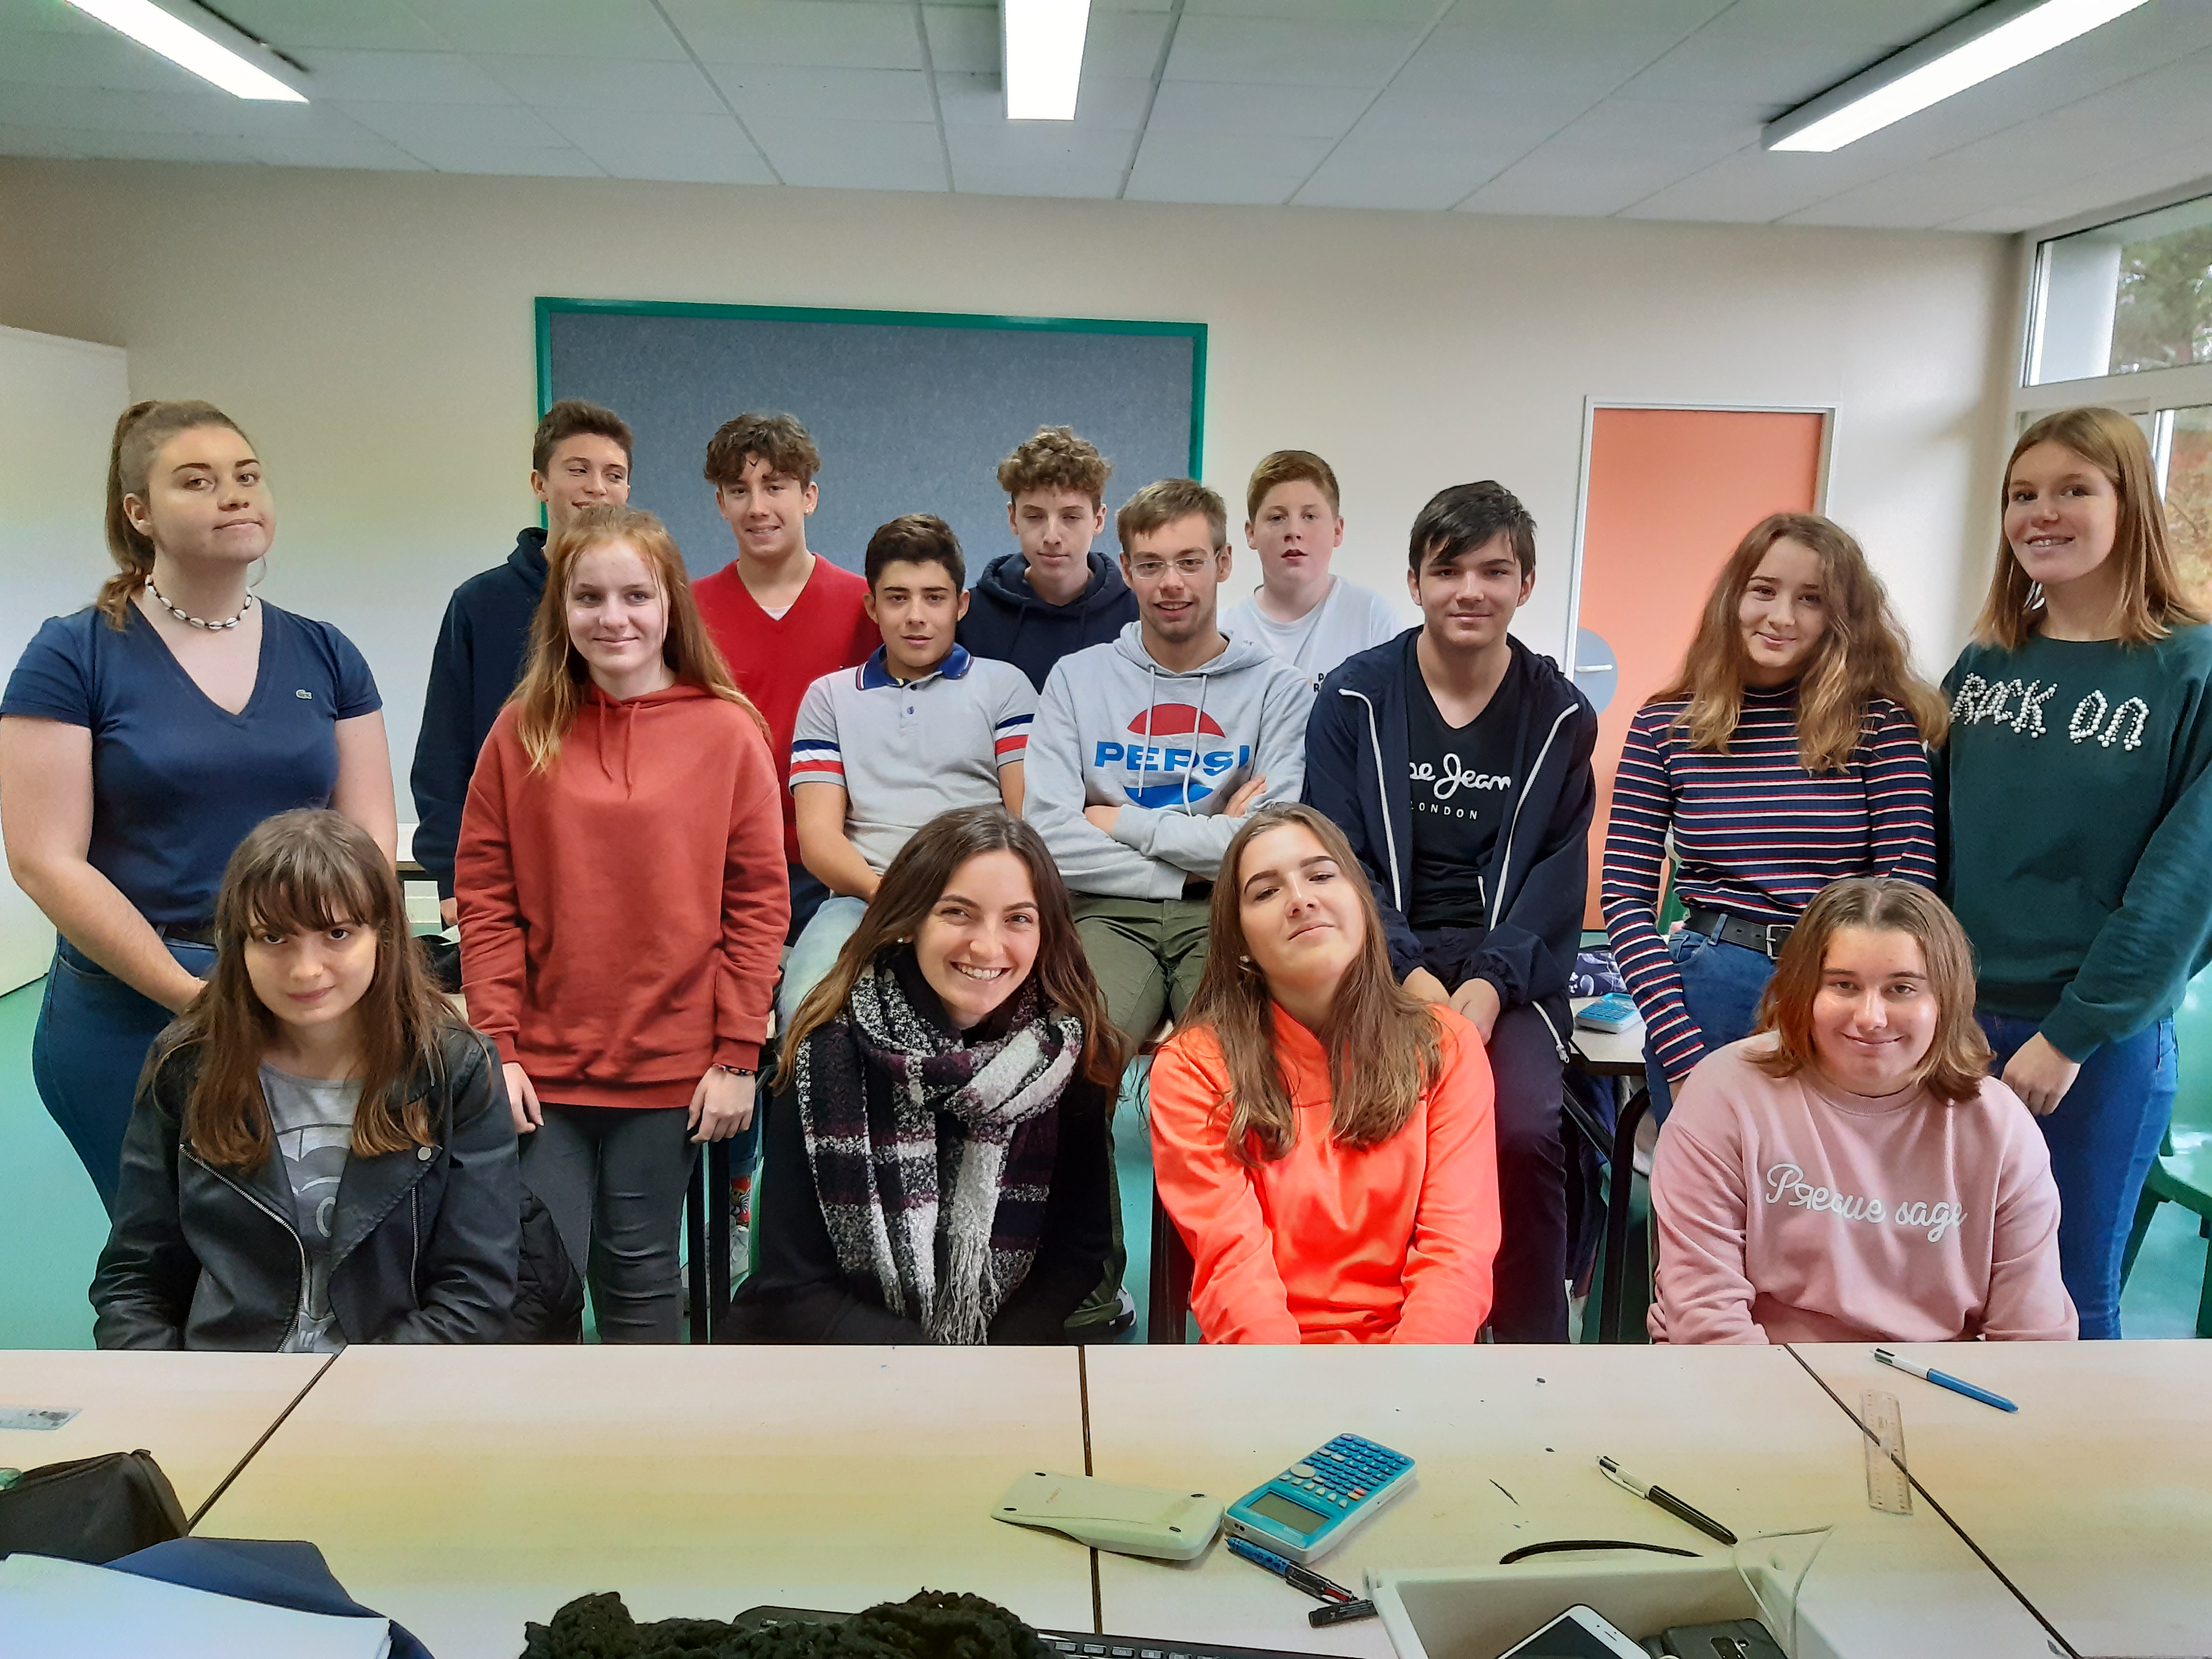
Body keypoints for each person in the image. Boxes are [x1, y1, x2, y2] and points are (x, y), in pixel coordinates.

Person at [0, 400, 393, 1214]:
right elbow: (44, 859)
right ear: (138, 513)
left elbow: (368, 840)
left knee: (303, 1234)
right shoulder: (71, 655)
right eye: (198, 481)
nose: (235, 495)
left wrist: (331, 972)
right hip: (131, 1010)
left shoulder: (326, 652)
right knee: (169, 1251)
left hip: (301, 990)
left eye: (247, 476)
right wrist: (198, 998)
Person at [457, 504, 788, 1343]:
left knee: (640, 1275)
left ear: (670, 604)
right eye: (589, 597)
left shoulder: (727, 731)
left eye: (635, 596)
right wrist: (497, 1048)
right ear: (560, 611)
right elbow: (486, 897)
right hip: (543, 1069)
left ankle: (648, 1432)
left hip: (672, 1066)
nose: (613, 618)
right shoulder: (521, 729)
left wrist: (736, 1055)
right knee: (536, 1284)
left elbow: (757, 902)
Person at [1941, 406, 2212, 1341]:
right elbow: (1927, 845)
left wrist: (2070, 1034)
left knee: (2063, 1293)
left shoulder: (2191, 669)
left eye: (2072, 490)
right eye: (2022, 494)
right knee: (1942, 1281)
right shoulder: (1986, 661)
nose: (2041, 513)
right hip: (1954, 1024)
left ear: (2129, 504)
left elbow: (2183, 886)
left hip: (2090, 1046)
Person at [1303, 481, 1595, 1343]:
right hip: (1375, 958)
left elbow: (1556, 873)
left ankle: (1532, 1350)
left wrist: (1490, 986)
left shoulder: (1559, 714)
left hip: (1510, 967)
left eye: (1494, 571)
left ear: (1525, 585)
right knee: (1376, 1130)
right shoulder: (1353, 698)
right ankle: (1378, 1335)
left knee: (1520, 1129)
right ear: (1415, 581)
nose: (1470, 590)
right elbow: (1337, 857)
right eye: (1448, 570)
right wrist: (1407, 971)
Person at [91, 809, 519, 1349]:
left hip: (393, 1379)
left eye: (337, 934)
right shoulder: (186, 1065)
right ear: (239, 946)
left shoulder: (453, 1068)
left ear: (383, 936)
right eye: (273, 938)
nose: (305, 970)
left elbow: (475, 1292)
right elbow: (135, 1279)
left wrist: (359, 1391)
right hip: (229, 1379)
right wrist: (173, 1383)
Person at [726, 806, 1120, 1345]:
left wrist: (986, 1366)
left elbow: (1077, 1254)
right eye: (958, 913)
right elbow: (793, 1284)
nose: (988, 947)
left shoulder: (1064, 1056)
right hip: (839, 1352)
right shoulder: (827, 1051)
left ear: (1045, 931)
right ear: (911, 920)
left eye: (1018, 919)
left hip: (1001, 1356)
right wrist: (938, 1368)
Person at [1600, 512, 1945, 1125]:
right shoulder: (1664, 725)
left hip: (1840, 990)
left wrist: (1866, 1006)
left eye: (1811, 599)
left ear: (1840, 617)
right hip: (1707, 991)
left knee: (1828, 1182)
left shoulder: (1881, 724)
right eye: (1764, 590)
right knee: (1709, 1184)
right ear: (1734, 597)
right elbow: (1625, 898)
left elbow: (1907, 897)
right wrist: (1677, 1043)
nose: (1782, 616)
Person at [1649, 878, 2076, 1345]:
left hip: (1933, 1381)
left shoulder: (2000, 1126)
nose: (1871, 1017)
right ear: (1804, 990)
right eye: (1844, 985)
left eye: (1902, 988)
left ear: (1945, 999)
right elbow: (1707, 1316)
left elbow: (2032, 1334)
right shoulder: (1724, 1095)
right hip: (1756, 1372)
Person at [1149, 804, 1499, 1344]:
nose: (1300, 899)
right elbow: (1233, 1272)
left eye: (1320, 875)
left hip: (1419, 1365)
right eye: (1266, 892)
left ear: (1363, 904)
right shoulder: (1192, 1067)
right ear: (1240, 946)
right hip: (1266, 1370)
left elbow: (1456, 1256)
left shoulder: (1447, 1045)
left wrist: (1409, 1386)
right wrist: (1294, 1390)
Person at [782, 515, 1034, 1029]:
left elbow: (1026, 818)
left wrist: (956, 906)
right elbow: (818, 839)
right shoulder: (829, 698)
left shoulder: (1005, 687)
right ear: (872, 607)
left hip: (981, 900)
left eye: (934, 598)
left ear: (961, 605)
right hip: (862, 898)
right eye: (897, 598)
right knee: (805, 1010)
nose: (916, 616)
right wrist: (895, 901)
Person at [410, 399, 633, 926]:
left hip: (623, 869)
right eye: (577, 470)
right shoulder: (480, 604)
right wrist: (452, 877)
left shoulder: (650, 607)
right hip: (507, 875)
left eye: (614, 475)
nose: (597, 488)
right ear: (540, 484)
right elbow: (444, 751)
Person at [690, 411, 877, 944]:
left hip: (839, 868)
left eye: (774, 487)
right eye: (739, 490)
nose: (757, 507)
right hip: (723, 870)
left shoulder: (867, 607)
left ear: (808, 497)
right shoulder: (686, 613)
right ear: (721, 503)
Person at [958, 425, 1137, 691]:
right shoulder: (970, 618)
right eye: (1035, 517)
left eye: (1071, 517)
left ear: (1098, 521)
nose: (1052, 536)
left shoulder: (1137, 618)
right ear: (1013, 519)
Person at [1221, 450, 1402, 686]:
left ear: (1338, 531)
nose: (1293, 531)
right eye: (1277, 518)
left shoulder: (1372, 619)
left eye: (1310, 517)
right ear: (1251, 533)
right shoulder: (1224, 631)